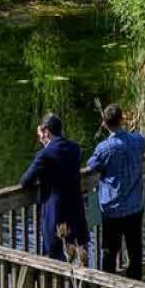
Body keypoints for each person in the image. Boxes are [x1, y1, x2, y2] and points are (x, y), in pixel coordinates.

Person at [87, 104, 145, 281]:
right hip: (135, 206)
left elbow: (92, 165)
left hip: (112, 209)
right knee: (135, 251)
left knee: (110, 253)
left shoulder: (104, 148)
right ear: (122, 120)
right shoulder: (139, 140)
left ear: (105, 124)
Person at [22, 113, 89, 263]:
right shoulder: (75, 149)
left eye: (40, 133)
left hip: (56, 215)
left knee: (54, 261)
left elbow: (25, 181)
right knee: (78, 259)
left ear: (46, 131)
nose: (39, 137)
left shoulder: (45, 154)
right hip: (76, 211)